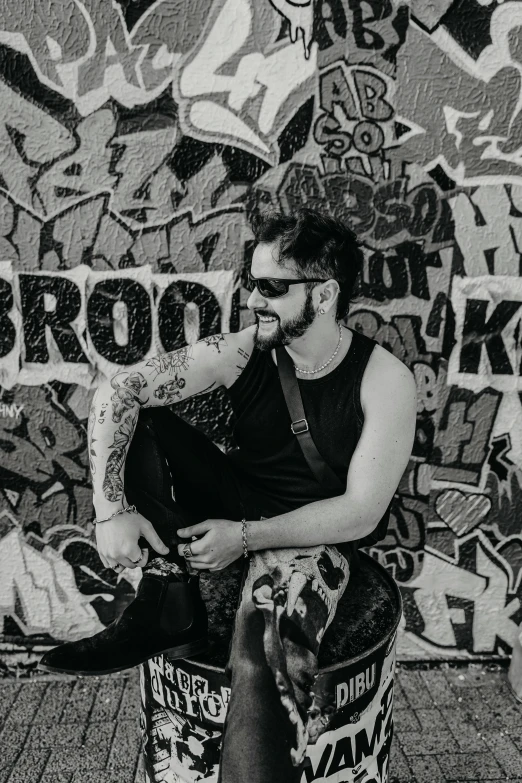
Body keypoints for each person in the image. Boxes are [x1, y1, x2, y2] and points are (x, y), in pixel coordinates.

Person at [39, 208, 416, 783]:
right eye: (250, 283)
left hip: (313, 535)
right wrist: (110, 510)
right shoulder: (244, 350)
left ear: (326, 293)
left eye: (271, 288)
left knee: (258, 658)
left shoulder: (384, 379)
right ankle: (169, 603)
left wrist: (243, 540)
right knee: (145, 417)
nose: (253, 300)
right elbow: (122, 390)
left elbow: (360, 512)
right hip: (235, 498)